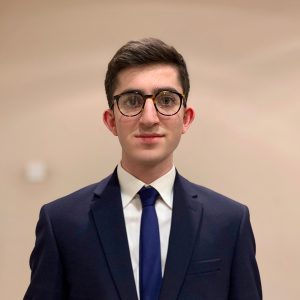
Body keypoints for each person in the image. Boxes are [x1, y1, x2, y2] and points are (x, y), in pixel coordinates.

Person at [24, 38, 262, 300]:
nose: (149, 118)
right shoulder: (61, 223)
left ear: (187, 118)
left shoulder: (229, 221)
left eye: (167, 100)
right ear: (111, 120)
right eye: (132, 101)